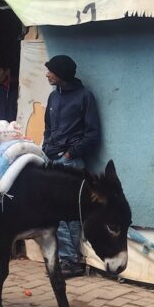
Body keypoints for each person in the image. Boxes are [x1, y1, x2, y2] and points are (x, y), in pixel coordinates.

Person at [42, 54, 101, 278]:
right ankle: (62, 258)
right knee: (55, 211)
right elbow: (48, 128)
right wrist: (47, 147)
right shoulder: (52, 97)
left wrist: (70, 153)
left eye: (51, 71)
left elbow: (93, 134)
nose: (47, 74)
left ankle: (72, 261)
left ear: (62, 74)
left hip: (71, 162)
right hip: (52, 159)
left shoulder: (85, 97)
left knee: (70, 212)